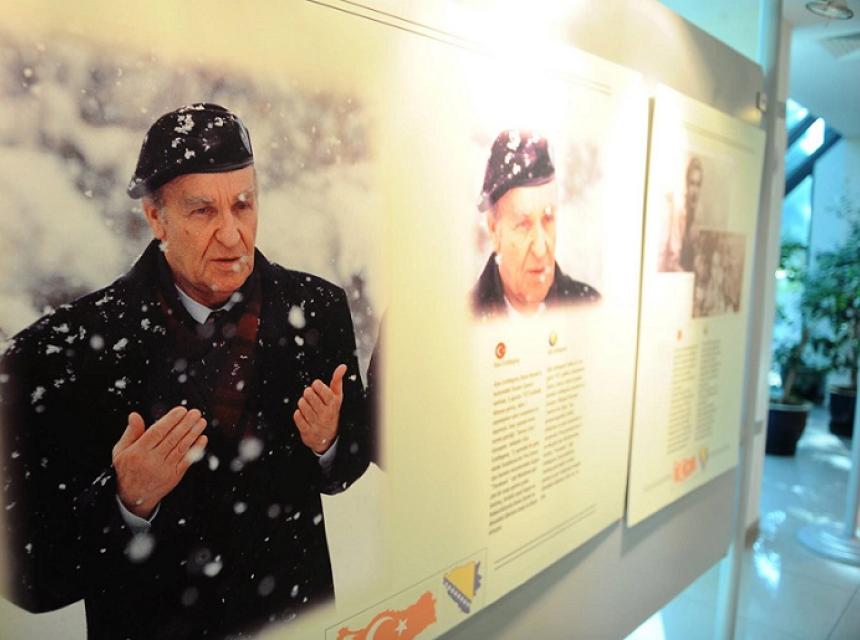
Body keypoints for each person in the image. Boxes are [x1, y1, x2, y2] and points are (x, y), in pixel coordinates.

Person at [0, 103, 370, 639]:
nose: (232, 235)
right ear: (156, 218)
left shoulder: (319, 309)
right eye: (202, 211)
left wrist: (330, 444)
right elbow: (30, 578)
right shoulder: (59, 354)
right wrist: (126, 501)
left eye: (243, 204)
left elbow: (346, 467)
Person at [472, 130, 600, 318]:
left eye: (548, 219)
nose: (540, 249)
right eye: (523, 225)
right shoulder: (463, 318)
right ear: (493, 230)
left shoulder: (589, 308)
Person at [659, 156, 703, 272]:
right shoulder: (679, 210)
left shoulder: (697, 214)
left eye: (698, 184)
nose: (695, 191)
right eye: (692, 183)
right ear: (686, 184)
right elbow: (672, 262)